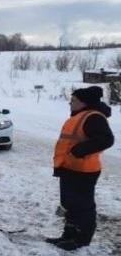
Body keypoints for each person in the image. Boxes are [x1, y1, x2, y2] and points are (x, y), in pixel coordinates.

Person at [45, 86, 114, 251]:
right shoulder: (80, 116)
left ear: (84, 103)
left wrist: (79, 151)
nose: (70, 103)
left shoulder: (94, 117)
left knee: (83, 206)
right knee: (69, 204)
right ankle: (68, 236)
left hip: (84, 171)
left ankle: (81, 240)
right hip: (70, 168)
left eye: (74, 100)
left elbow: (106, 140)